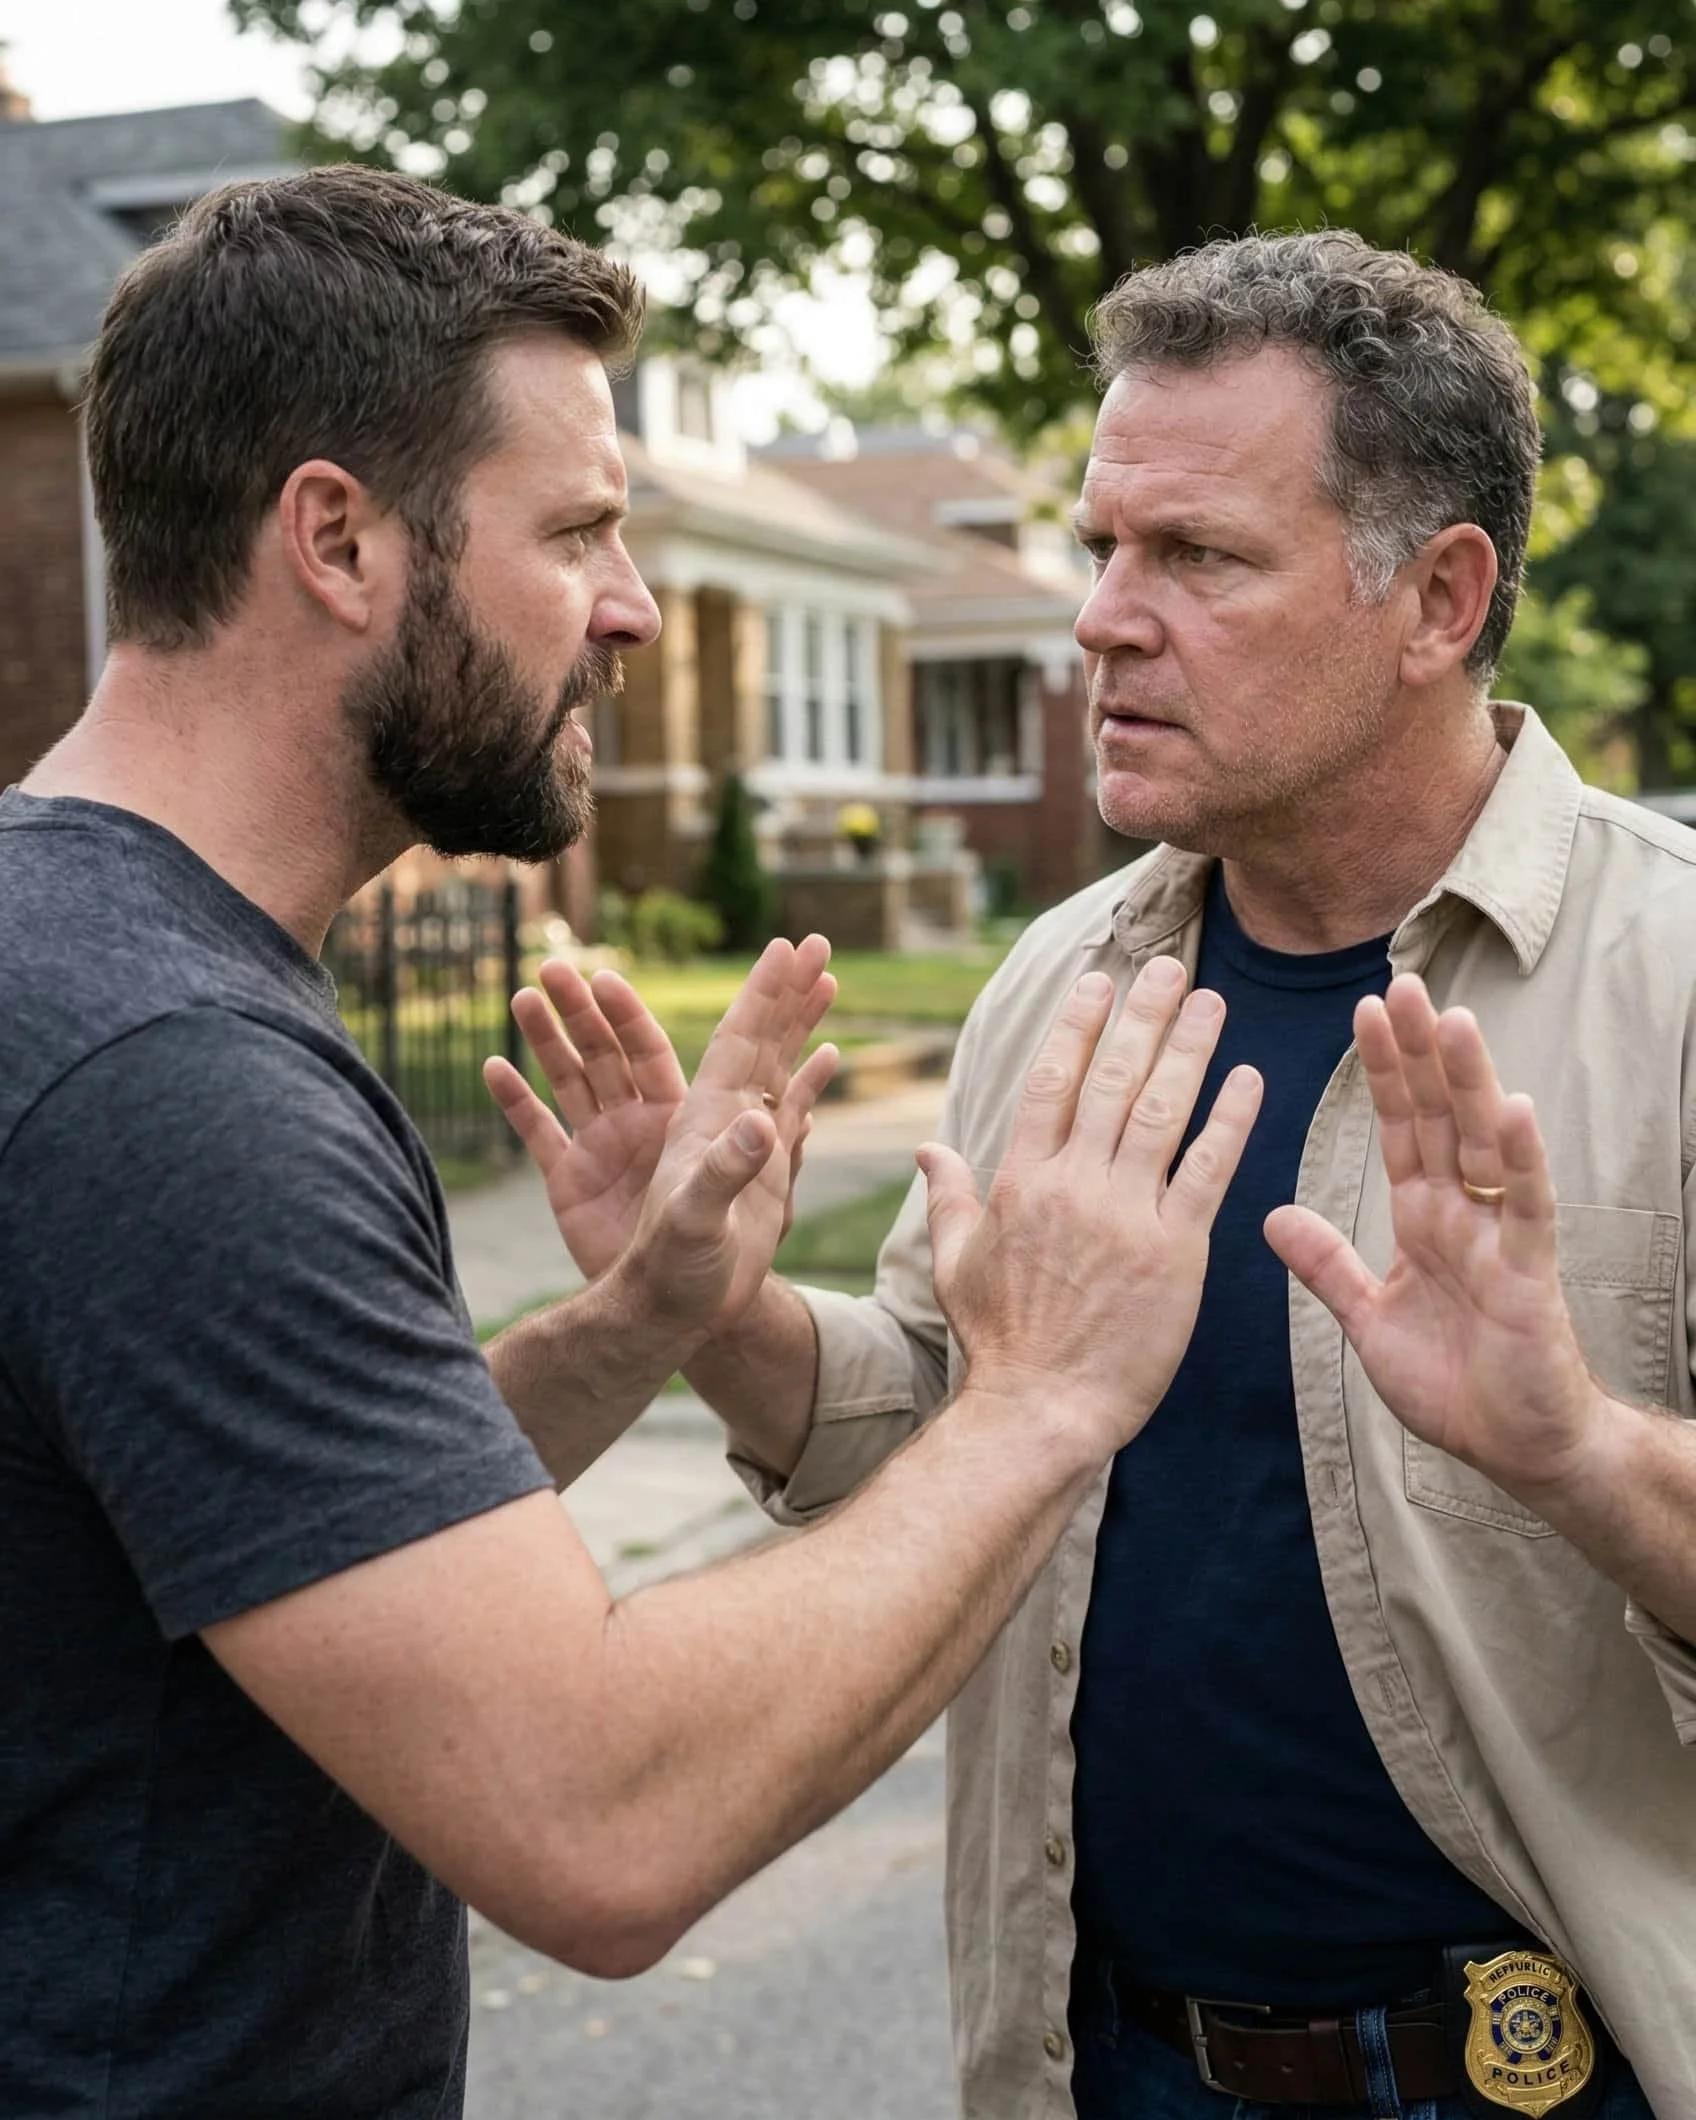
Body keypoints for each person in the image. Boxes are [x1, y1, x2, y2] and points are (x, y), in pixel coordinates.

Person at [0, 167, 1267, 2120]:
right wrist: (1038, 1396)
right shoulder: (169, 1066)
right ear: (336, 539)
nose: (631, 604)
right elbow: (593, 1818)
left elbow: (274, 1531)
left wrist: (642, 1314)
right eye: (578, 526)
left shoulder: (72, 952)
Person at [498, 234, 1696, 2119]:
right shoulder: (1065, 983)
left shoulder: (1675, 985)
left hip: (1557, 2072)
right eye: (1102, 549)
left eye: (1199, 558)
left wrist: (1574, 1446)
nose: (1102, 621)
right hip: (1101, 2062)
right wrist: (714, 1305)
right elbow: (944, 1432)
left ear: (1440, 597)